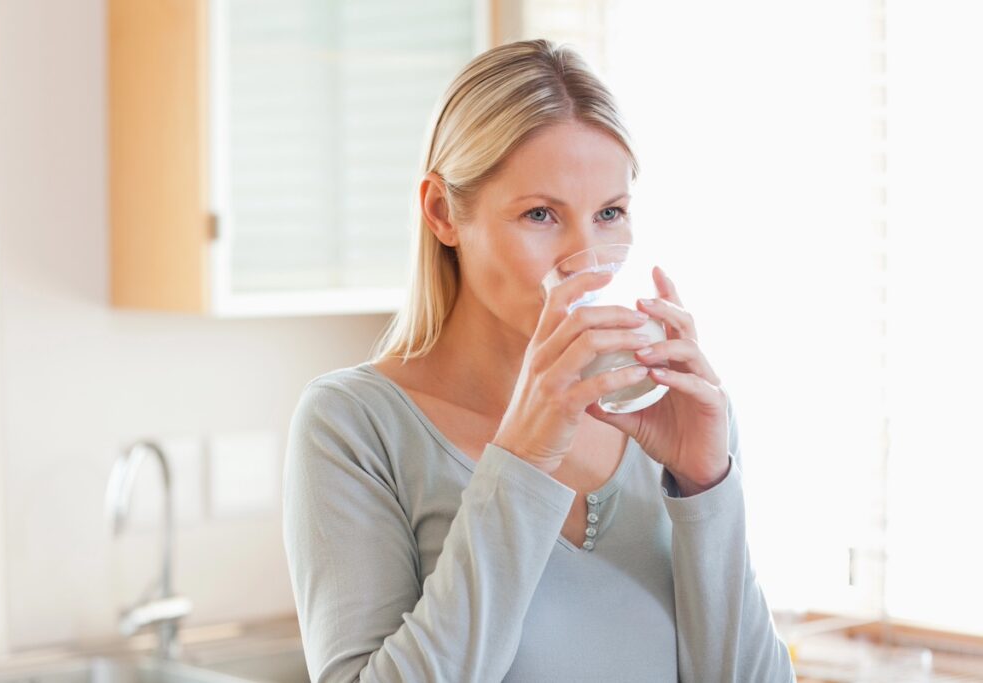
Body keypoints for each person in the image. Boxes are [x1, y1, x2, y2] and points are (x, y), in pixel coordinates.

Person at [283, 39, 796, 682]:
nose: (589, 258)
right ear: (443, 213)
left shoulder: (670, 418)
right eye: (540, 215)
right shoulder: (353, 427)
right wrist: (522, 463)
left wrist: (706, 488)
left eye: (610, 213)